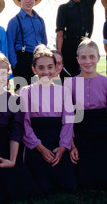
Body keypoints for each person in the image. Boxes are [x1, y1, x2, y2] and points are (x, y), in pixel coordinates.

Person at [0, 52, 42, 204]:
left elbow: (16, 131)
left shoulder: (15, 100)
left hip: (6, 148)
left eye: (3, 73)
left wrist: (12, 160)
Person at [64, 38, 107, 190]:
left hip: (102, 132)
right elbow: (68, 116)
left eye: (92, 56)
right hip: (81, 131)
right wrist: (71, 143)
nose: (88, 61)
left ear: (98, 58)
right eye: (83, 57)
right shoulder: (69, 83)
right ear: (77, 59)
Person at [20, 45, 76, 195]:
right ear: (34, 69)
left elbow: (68, 121)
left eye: (50, 67)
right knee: (41, 187)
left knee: (68, 185)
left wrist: (63, 146)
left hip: (57, 140)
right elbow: (25, 123)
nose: (46, 72)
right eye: (41, 68)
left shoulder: (63, 91)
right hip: (37, 142)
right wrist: (40, 148)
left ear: (56, 68)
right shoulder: (26, 91)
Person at [56, 0, 105, 79]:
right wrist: (59, 55)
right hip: (69, 48)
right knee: (68, 80)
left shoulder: (88, 2)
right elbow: (60, 34)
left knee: (85, 79)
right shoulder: (63, 8)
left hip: (86, 46)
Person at [7, 0, 47, 88]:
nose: (28, 1)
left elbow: (44, 41)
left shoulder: (40, 20)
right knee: (22, 92)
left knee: (39, 90)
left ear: (35, 0)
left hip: (38, 59)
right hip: (22, 59)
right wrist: (15, 64)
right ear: (19, 0)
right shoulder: (14, 21)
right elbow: (10, 44)